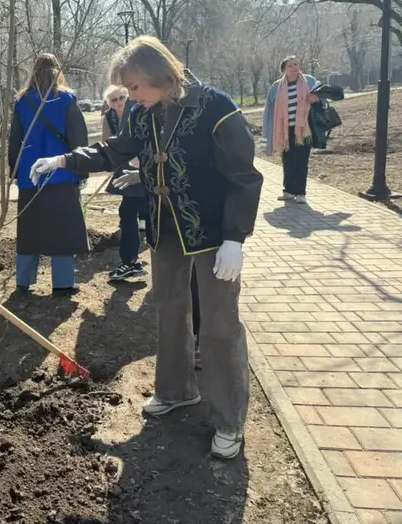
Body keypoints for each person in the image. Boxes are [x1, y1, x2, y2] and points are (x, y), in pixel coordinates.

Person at [29, 37, 263, 459]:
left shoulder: (214, 107)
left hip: (212, 233)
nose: (132, 97)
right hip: (165, 229)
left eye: (135, 87)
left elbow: (244, 177)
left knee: (218, 325)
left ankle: (229, 420)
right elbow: (115, 150)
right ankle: (177, 391)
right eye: (129, 90)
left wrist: (235, 238)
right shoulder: (142, 112)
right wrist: (65, 161)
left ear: (160, 75)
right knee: (171, 311)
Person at [8, 54, 89, 296]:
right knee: (62, 230)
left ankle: (23, 282)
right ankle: (63, 284)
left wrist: (15, 171)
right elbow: (78, 138)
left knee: (30, 230)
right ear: (57, 71)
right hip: (62, 174)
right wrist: (81, 171)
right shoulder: (66, 99)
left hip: (30, 178)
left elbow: (15, 142)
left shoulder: (22, 102)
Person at [101, 85, 148, 282]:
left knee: (134, 213)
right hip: (126, 171)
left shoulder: (140, 110)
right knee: (129, 213)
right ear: (108, 103)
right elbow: (107, 145)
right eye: (114, 100)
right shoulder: (109, 118)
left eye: (122, 97)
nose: (119, 102)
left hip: (146, 169)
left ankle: (132, 262)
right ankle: (131, 261)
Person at [263, 56, 319, 204]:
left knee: (301, 161)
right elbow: (269, 109)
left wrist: (317, 98)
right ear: (284, 70)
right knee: (288, 161)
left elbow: (323, 96)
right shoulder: (276, 87)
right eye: (290, 65)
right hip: (285, 130)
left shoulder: (310, 81)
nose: (294, 67)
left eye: (296, 64)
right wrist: (267, 130)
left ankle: (301, 193)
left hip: (303, 130)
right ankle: (288, 191)